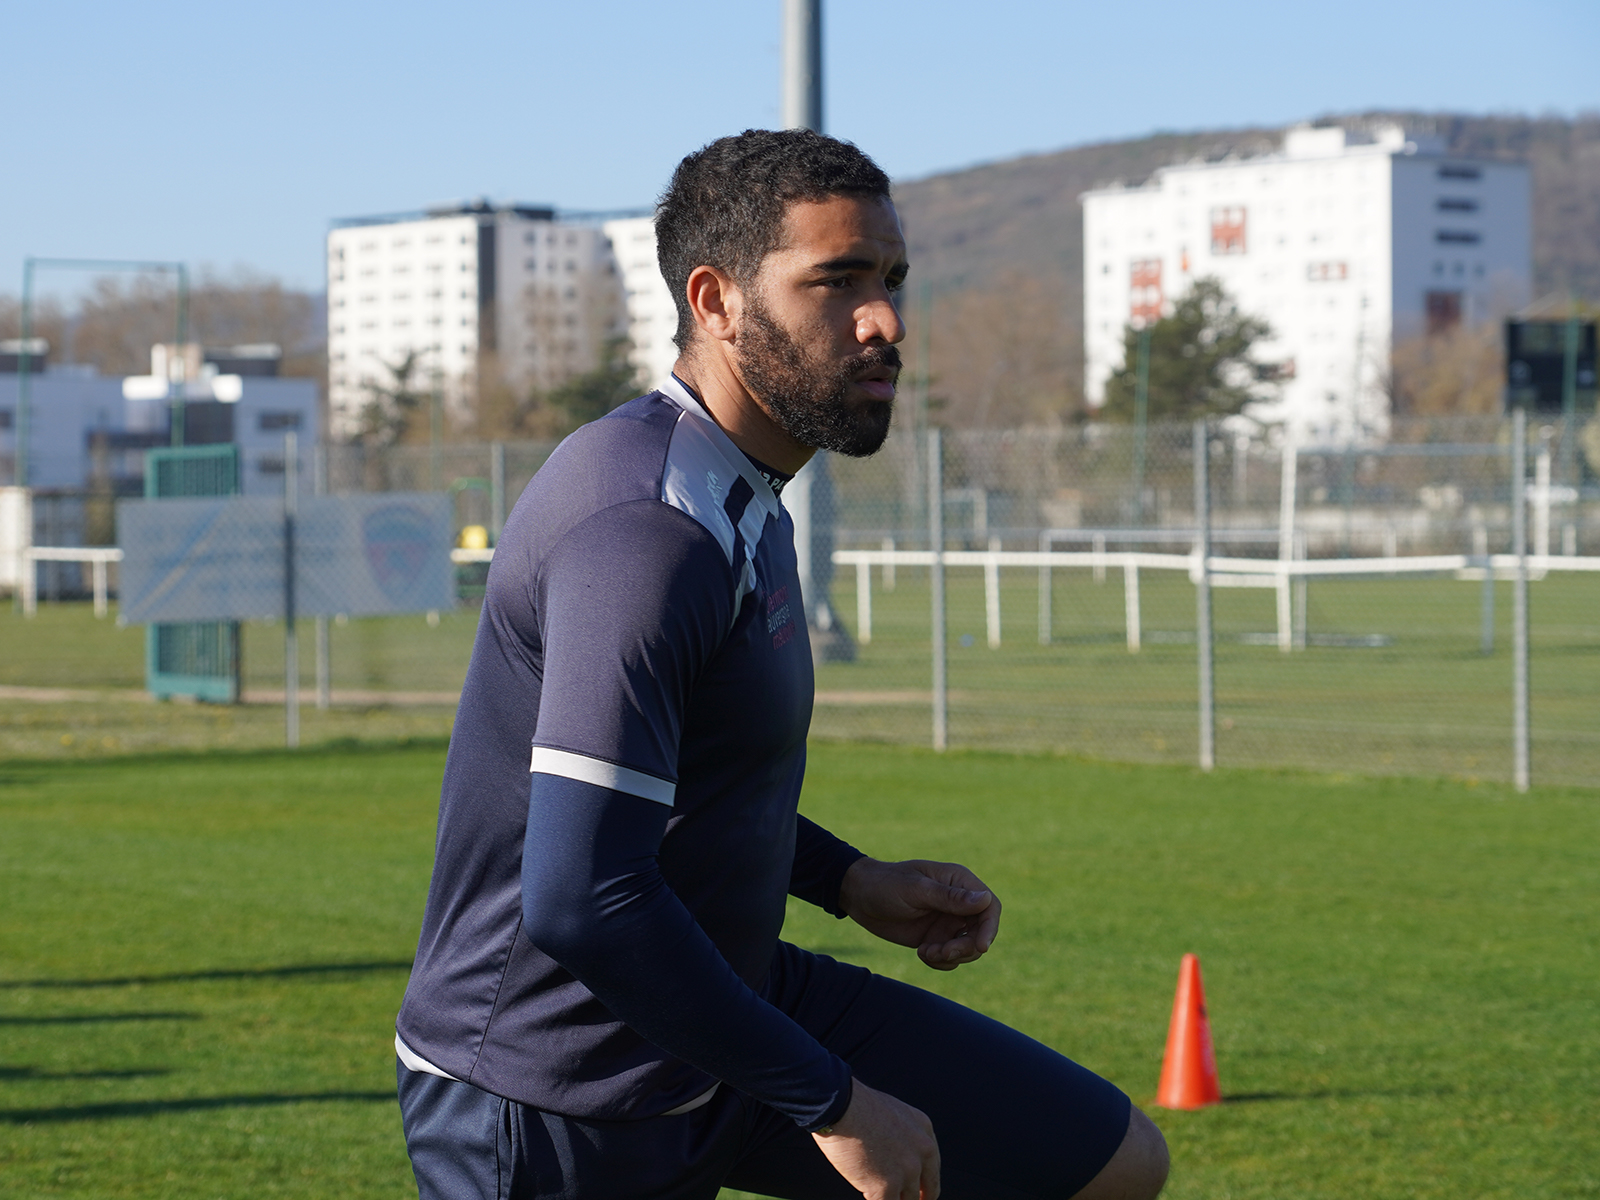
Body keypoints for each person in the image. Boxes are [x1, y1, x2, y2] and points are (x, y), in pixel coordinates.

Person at [395, 128, 1168, 1200]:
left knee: (1108, 1163)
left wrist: (850, 883)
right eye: (836, 282)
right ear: (713, 301)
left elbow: (680, 783)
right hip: (555, 1085)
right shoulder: (644, 529)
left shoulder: (745, 490)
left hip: (724, 1002)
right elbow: (579, 896)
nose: (885, 320)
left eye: (892, 280)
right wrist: (836, 1103)